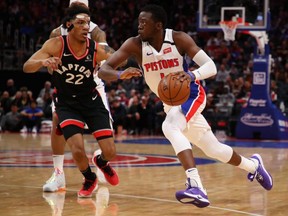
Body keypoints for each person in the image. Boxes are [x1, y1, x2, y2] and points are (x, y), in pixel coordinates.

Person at [98, 4, 273, 207]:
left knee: (169, 126)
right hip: (170, 103)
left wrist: (191, 75)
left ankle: (195, 185)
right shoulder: (134, 45)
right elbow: (104, 70)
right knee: (213, 149)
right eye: (138, 22)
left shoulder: (178, 39)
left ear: (158, 25)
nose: (139, 27)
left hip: (191, 94)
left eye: (143, 23)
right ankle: (254, 166)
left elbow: (211, 66)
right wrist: (121, 74)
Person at [23, 4, 119, 198]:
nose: (85, 26)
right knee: (72, 143)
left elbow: (115, 57)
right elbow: (28, 66)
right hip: (66, 97)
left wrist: (127, 68)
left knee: (110, 149)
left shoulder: (97, 36)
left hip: (91, 91)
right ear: (69, 22)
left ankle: (102, 160)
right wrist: (45, 62)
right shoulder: (56, 39)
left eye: (87, 22)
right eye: (80, 22)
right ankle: (72, 175)